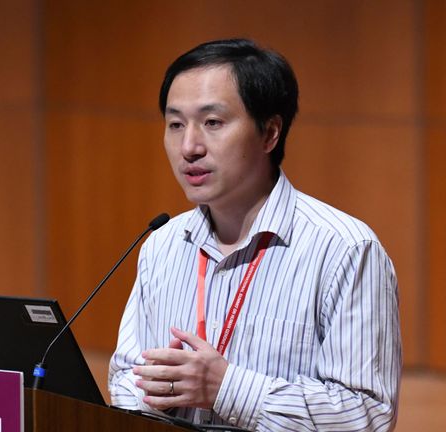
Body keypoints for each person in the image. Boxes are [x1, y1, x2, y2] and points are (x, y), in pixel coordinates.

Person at [108, 38, 401, 431]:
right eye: (176, 124)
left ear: (269, 134)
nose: (189, 147)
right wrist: (149, 393)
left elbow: (367, 415)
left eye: (212, 123)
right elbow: (125, 376)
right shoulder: (162, 244)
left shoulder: (344, 249)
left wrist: (225, 387)